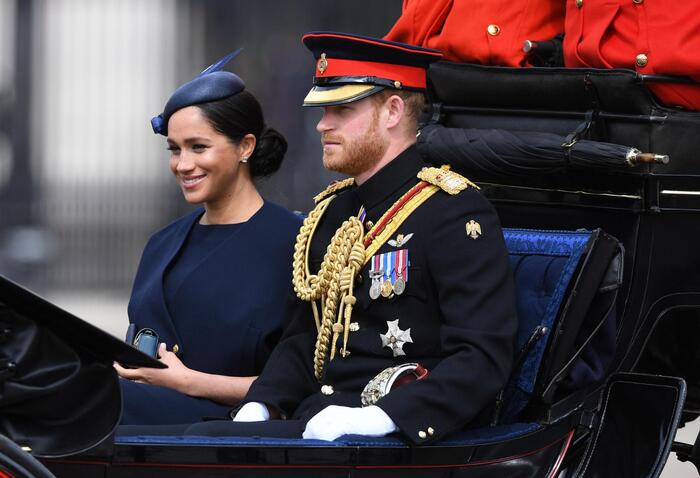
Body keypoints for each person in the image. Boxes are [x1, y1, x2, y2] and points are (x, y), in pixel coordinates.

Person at [179, 32, 518, 445]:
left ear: (392, 111)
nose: (322, 124)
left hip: (397, 438)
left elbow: (481, 357)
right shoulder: (334, 212)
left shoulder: (452, 211)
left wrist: (385, 416)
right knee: (181, 443)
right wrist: (262, 403)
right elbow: (305, 339)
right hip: (318, 422)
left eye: (341, 109)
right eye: (323, 110)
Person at [114, 51, 302, 425]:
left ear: (245, 147)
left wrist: (188, 382)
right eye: (174, 149)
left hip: (226, 433)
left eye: (198, 147)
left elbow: (306, 385)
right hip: (138, 427)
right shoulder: (162, 243)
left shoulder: (295, 243)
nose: (183, 165)